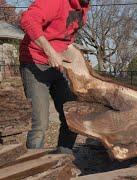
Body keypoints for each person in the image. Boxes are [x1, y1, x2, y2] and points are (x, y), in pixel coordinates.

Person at [19, 0, 90, 151]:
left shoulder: (83, 8)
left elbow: (65, 38)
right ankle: (33, 169)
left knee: (72, 117)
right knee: (40, 124)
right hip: (34, 62)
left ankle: (61, 162)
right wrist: (50, 52)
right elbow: (27, 19)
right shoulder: (56, 1)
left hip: (58, 66)